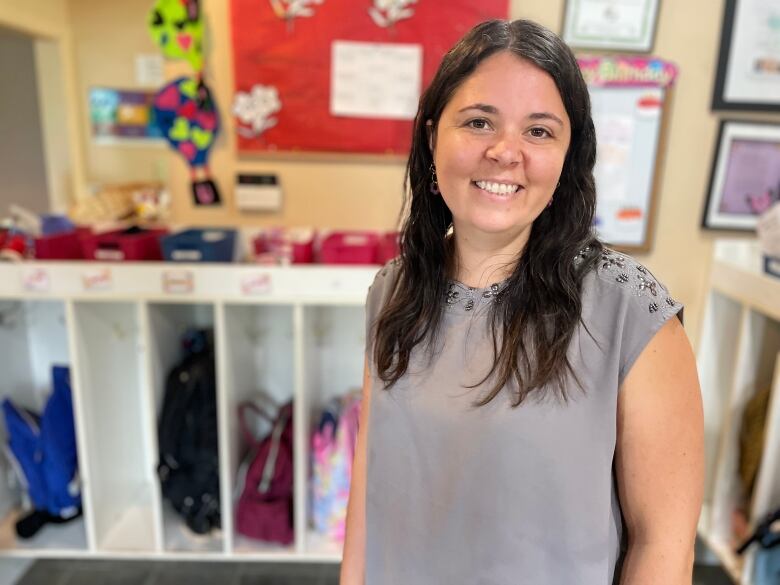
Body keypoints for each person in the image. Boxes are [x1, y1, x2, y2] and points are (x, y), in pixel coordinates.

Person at [340, 19, 703, 585]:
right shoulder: (393, 290)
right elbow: (371, 482)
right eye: (479, 122)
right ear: (434, 136)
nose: (505, 152)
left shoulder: (631, 313)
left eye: (539, 132)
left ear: (566, 158)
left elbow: (664, 547)